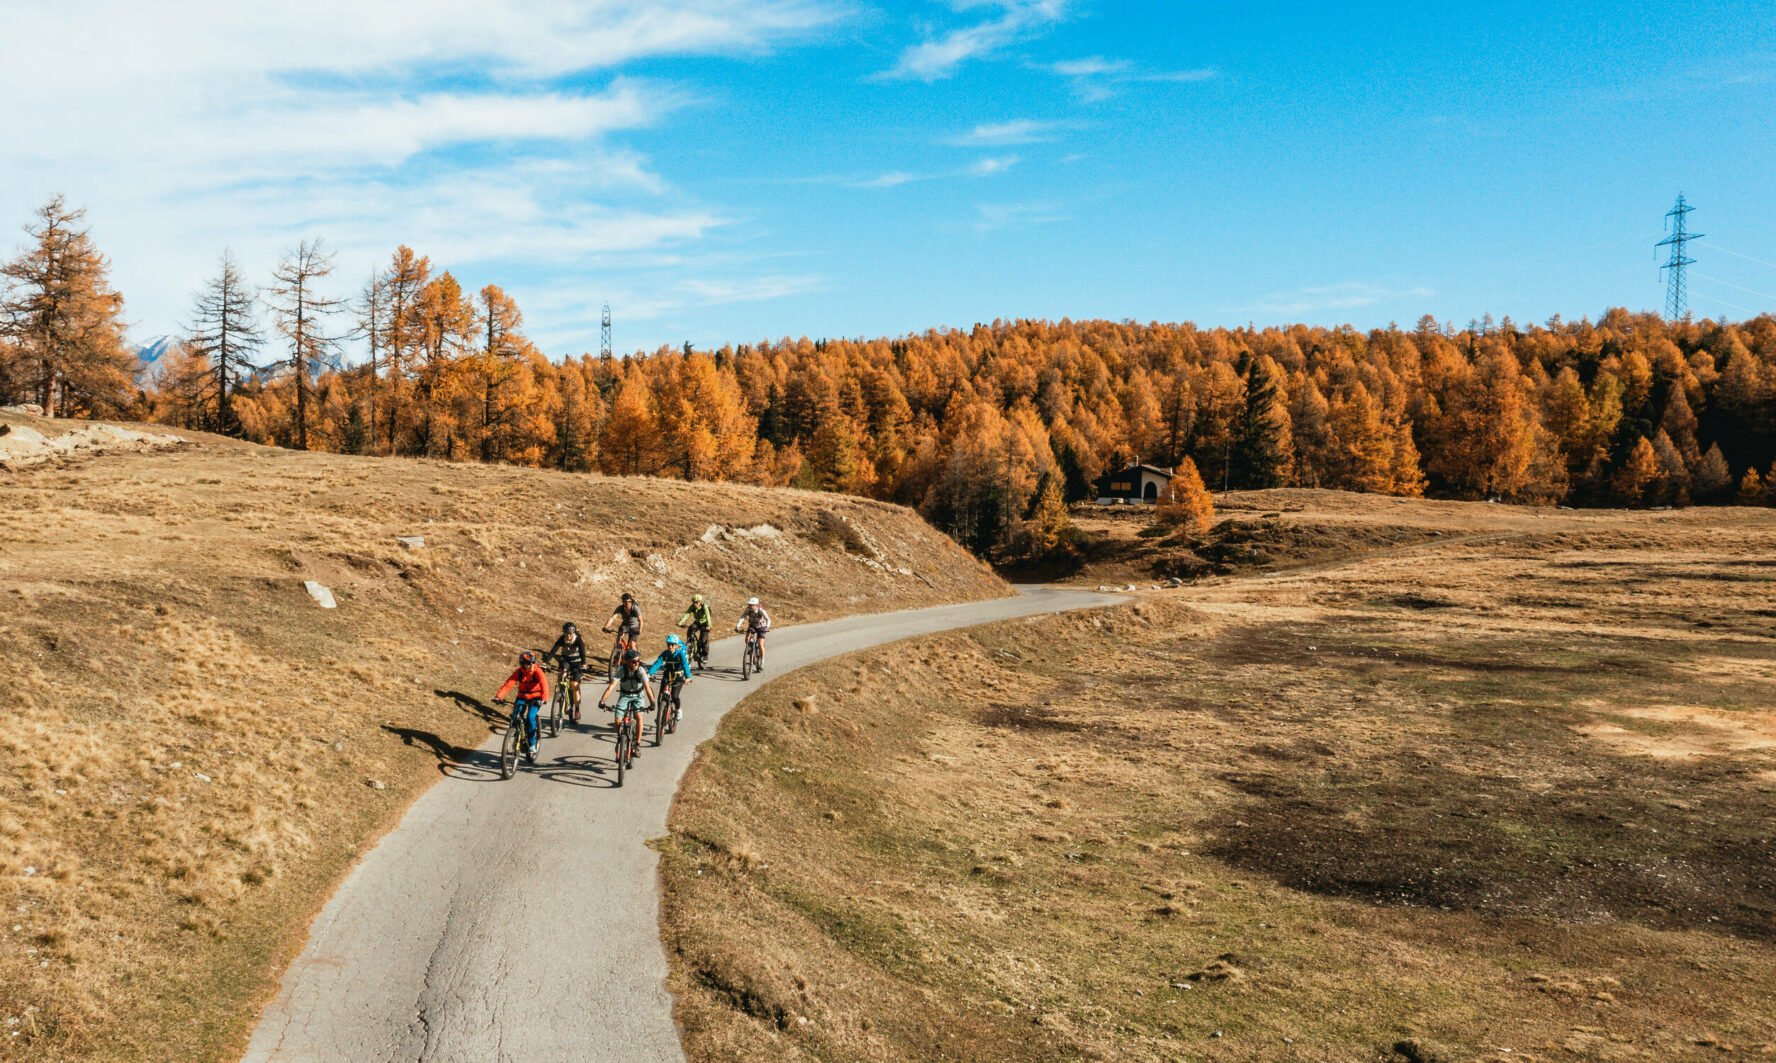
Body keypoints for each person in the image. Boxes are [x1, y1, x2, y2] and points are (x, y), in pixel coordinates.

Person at [492, 650, 551, 763]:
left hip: (536, 698)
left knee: (530, 717)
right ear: (522, 664)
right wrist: (498, 696)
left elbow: (544, 684)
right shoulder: (519, 672)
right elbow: (509, 684)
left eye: (532, 663)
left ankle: (532, 744)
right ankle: (517, 736)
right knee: (515, 717)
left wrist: (544, 698)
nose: (530, 666)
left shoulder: (537, 671)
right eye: (528, 664)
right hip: (522, 697)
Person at [597, 647, 656, 758]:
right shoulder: (621, 670)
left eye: (638, 661)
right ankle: (621, 738)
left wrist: (652, 702)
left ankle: (637, 744)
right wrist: (602, 701)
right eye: (634, 662)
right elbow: (612, 686)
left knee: (639, 716)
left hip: (638, 696)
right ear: (627, 662)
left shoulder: (641, 670)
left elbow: (647, 688)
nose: (636, 663)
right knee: (617, 718)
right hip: (624, 696)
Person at [545, 621, 588, 723]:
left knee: (574, 685)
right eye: (566, 633)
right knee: (562, 674)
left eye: (570, 634)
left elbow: (582, 652)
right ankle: (560, 694)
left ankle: (577, 709)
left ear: (573, 633)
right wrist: (546, 661)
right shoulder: (562, 639)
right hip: (566, 661)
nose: (568, 636)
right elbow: (554, 650)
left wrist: (584, 664)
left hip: (577, 663)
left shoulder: (578, 640)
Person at [648, 633, 695, 723]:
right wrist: (649, 673)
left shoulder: (680, 654)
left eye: (672, 645)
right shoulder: (665, 654)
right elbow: (657, 663)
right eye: (668, 644)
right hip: (667, 675)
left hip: (678, 677)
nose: (670, 646)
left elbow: (685, 665)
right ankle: (660, 714)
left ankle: (678, 710)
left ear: (676, 645)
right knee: (661, 696)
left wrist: (688, 677)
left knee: (674, 696)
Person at [602, 591, 643, 664]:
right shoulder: (620, 608)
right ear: (623, 602)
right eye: (625, 602)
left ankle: (637, 661)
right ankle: (617, 656)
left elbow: (640, 620)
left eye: (629, 601)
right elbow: (612, 618)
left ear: (631, 601)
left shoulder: (635, 608)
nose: (628, 603)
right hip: (625, 625)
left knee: (632, 644)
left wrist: (639, 630)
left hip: (634, 627)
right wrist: (605, 626)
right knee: (618, 641)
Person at [734, 596, 772, 669]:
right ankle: (750, 649)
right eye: (749, 604)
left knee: (760, 644)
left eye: (752, 605)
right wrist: (737, 626)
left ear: (756, 605)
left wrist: (767, 627)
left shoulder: (761, 611)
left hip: (761, 627)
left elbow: (768, 619)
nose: (750, 606)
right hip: (752, 626)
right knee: (747, 639)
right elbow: (742, 617)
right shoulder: (748, 610)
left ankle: (762, 660)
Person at [677, 593, 714, 660]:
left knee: (703, 640)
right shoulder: (692, 607)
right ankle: (691, 642)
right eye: (694, 602)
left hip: (705, 623)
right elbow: (686, 614)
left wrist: (709, 625)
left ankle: (704, 655)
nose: (695, 604)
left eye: (697, 602)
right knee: (690, 629)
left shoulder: (704, 606)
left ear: (700, 602)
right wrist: (680, 622)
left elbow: (708, 616)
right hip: (697, 622)